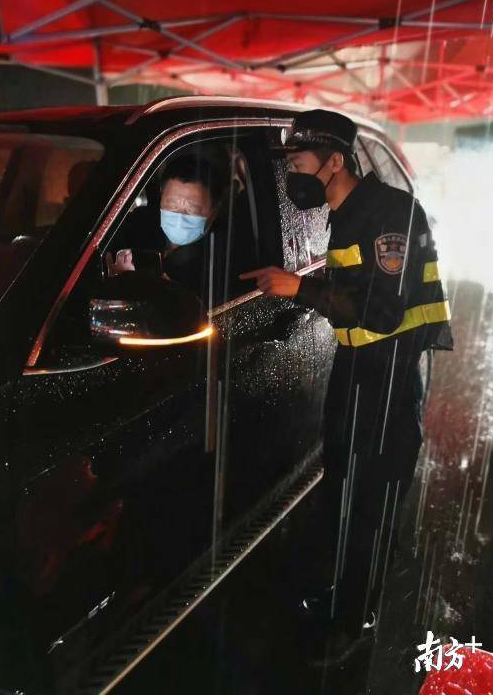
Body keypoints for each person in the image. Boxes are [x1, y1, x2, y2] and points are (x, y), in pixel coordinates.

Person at [239, 109, 453, 660]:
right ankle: (340, 597)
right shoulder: (346, 212)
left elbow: (382, 311)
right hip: (357, 368)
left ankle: (357, 621)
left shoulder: (390, 212)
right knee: (342, 486)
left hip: (389, 378)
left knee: (371, 502)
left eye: (299, 163)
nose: (292, 174)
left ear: (334, 161)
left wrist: (298, 289)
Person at [106, 155, 225, 306]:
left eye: (192, 209)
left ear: (214, 211)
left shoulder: (220, 262)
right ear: (161, 196)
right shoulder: (138, 227)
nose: (179, 216)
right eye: (171, 205)